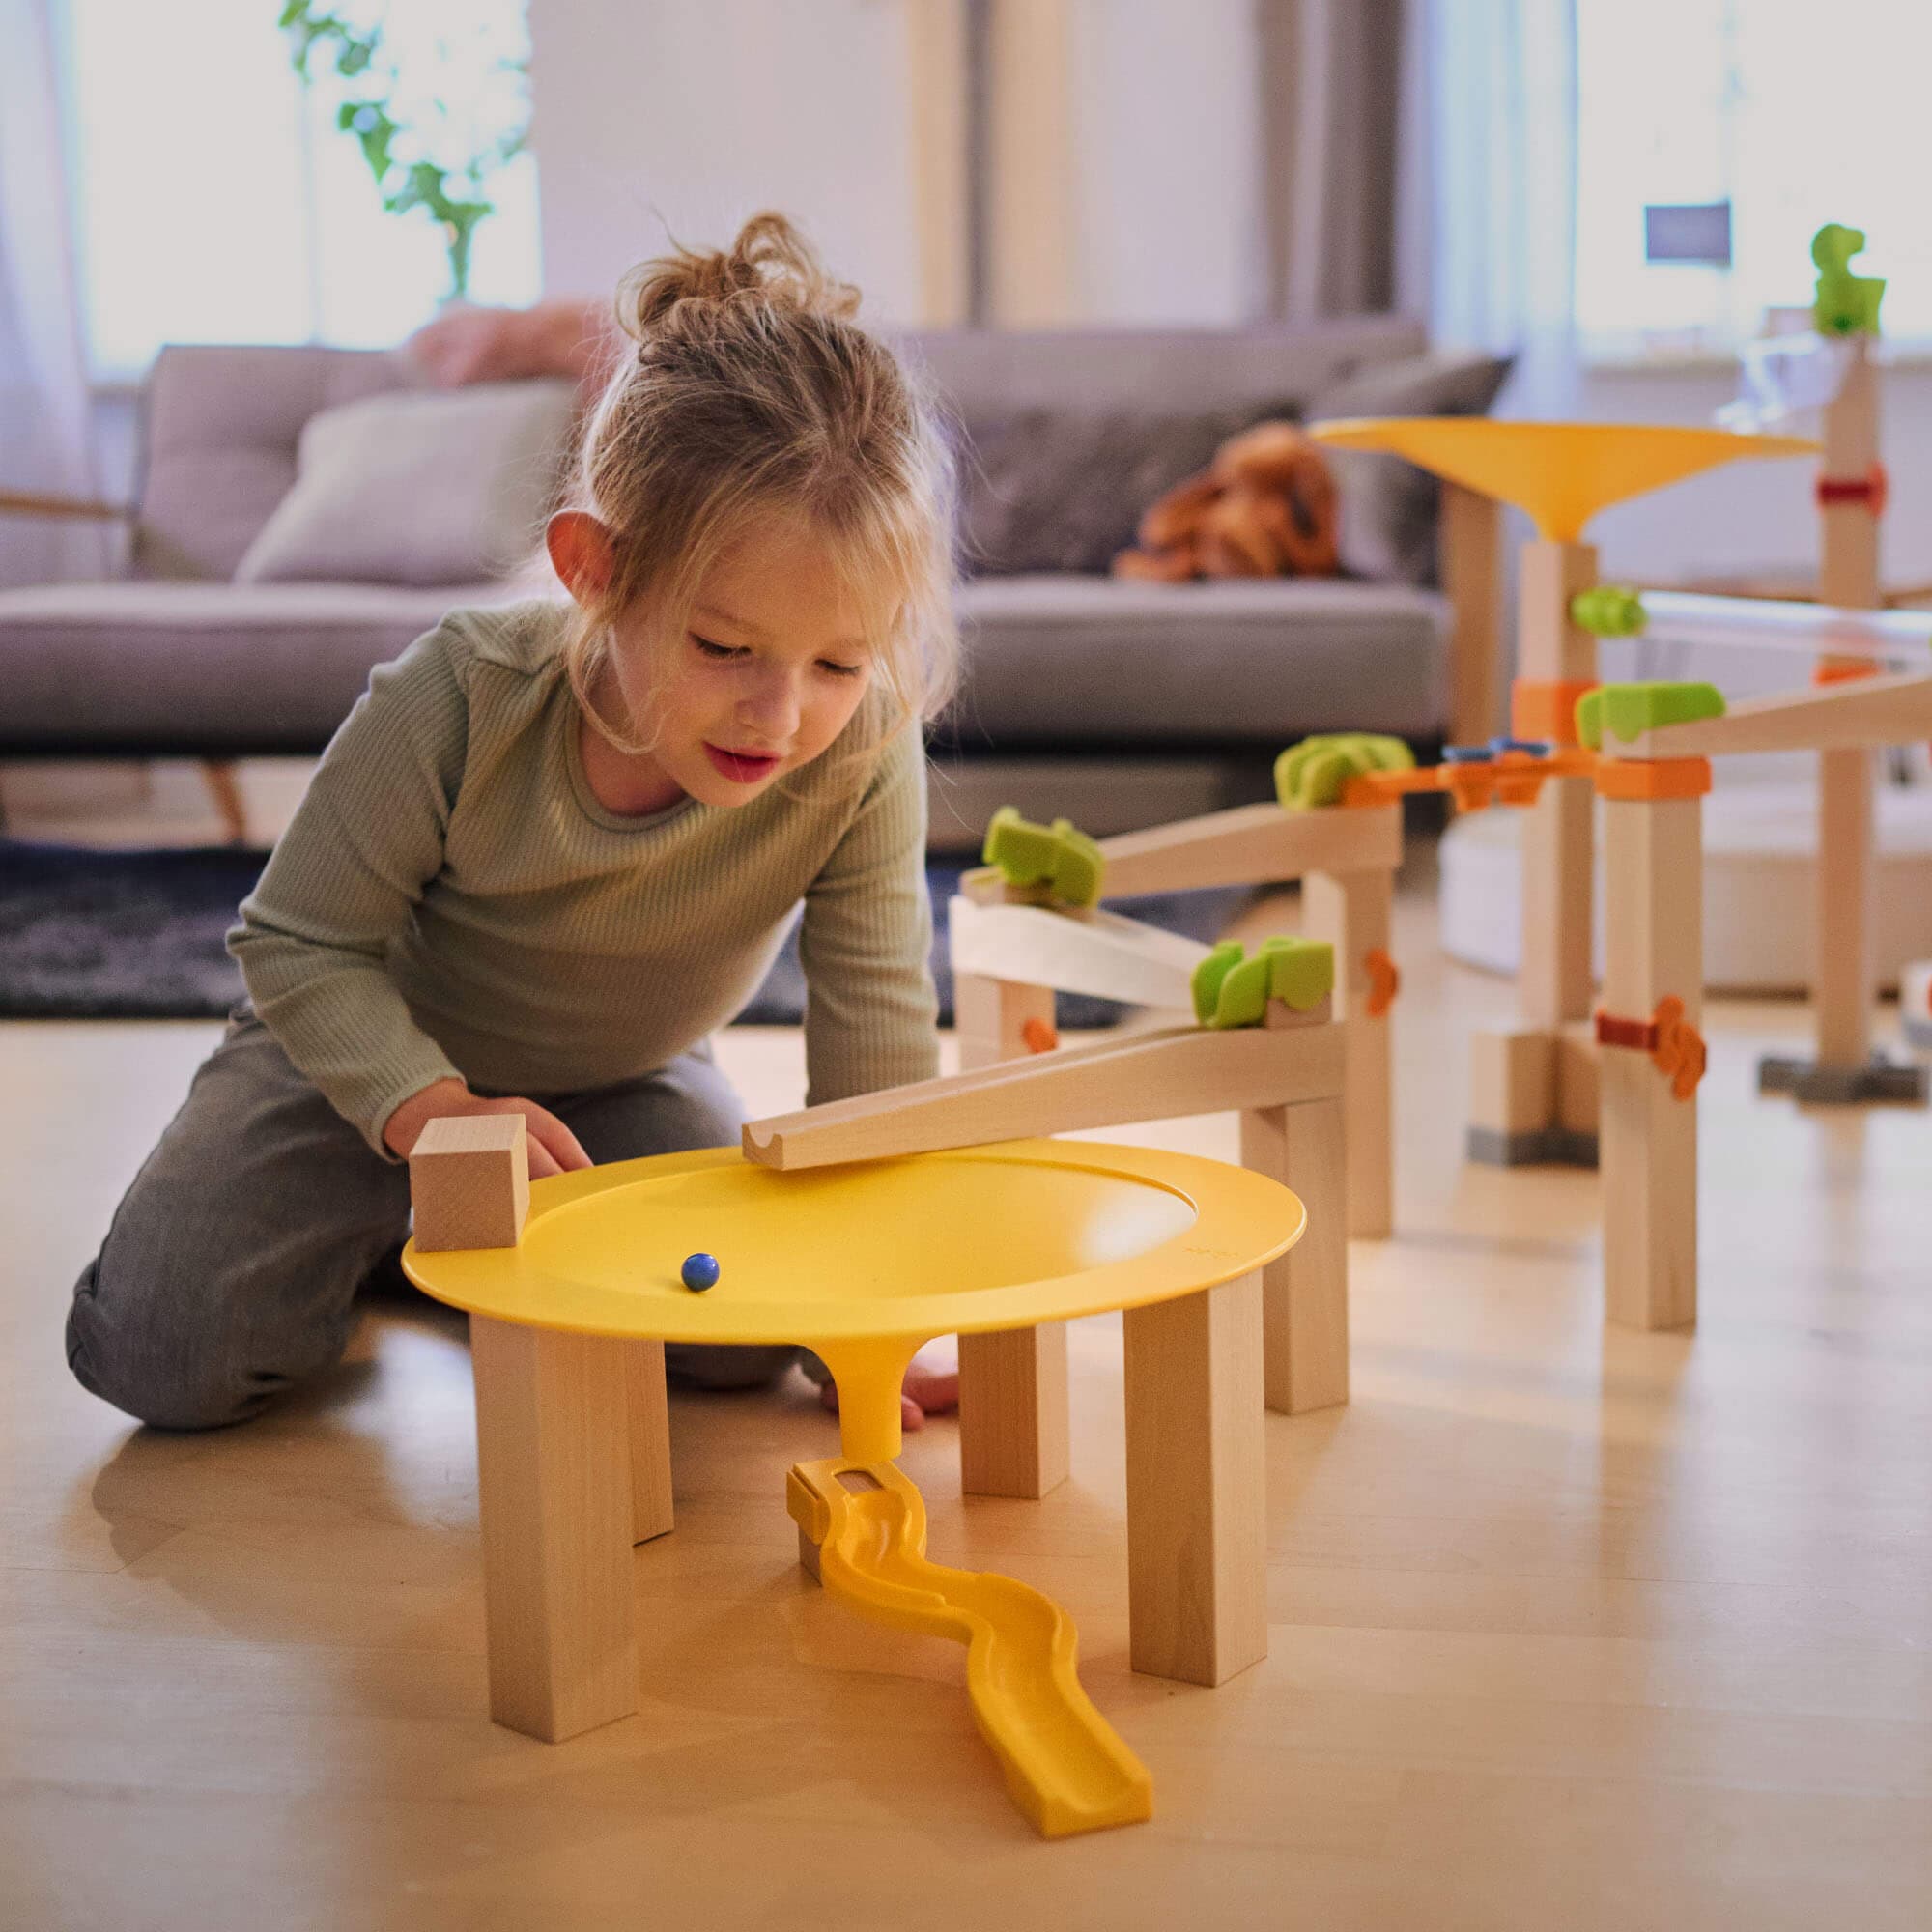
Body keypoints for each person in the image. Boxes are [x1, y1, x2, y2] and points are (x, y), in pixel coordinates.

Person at [67, 213, 961, 1435]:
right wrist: (429, 1116)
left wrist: (873, 1323)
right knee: (162, 1357)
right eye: (722, 647)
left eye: (840, 662)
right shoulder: (461, 690)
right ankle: (401, 1233)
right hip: (357, 1071)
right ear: (594, 567)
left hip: (615, 1085)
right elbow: (295, 942)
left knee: (749, 1337)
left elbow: (875, 1030)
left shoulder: (858, 746)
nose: (780, 711)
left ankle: (452, 1244)